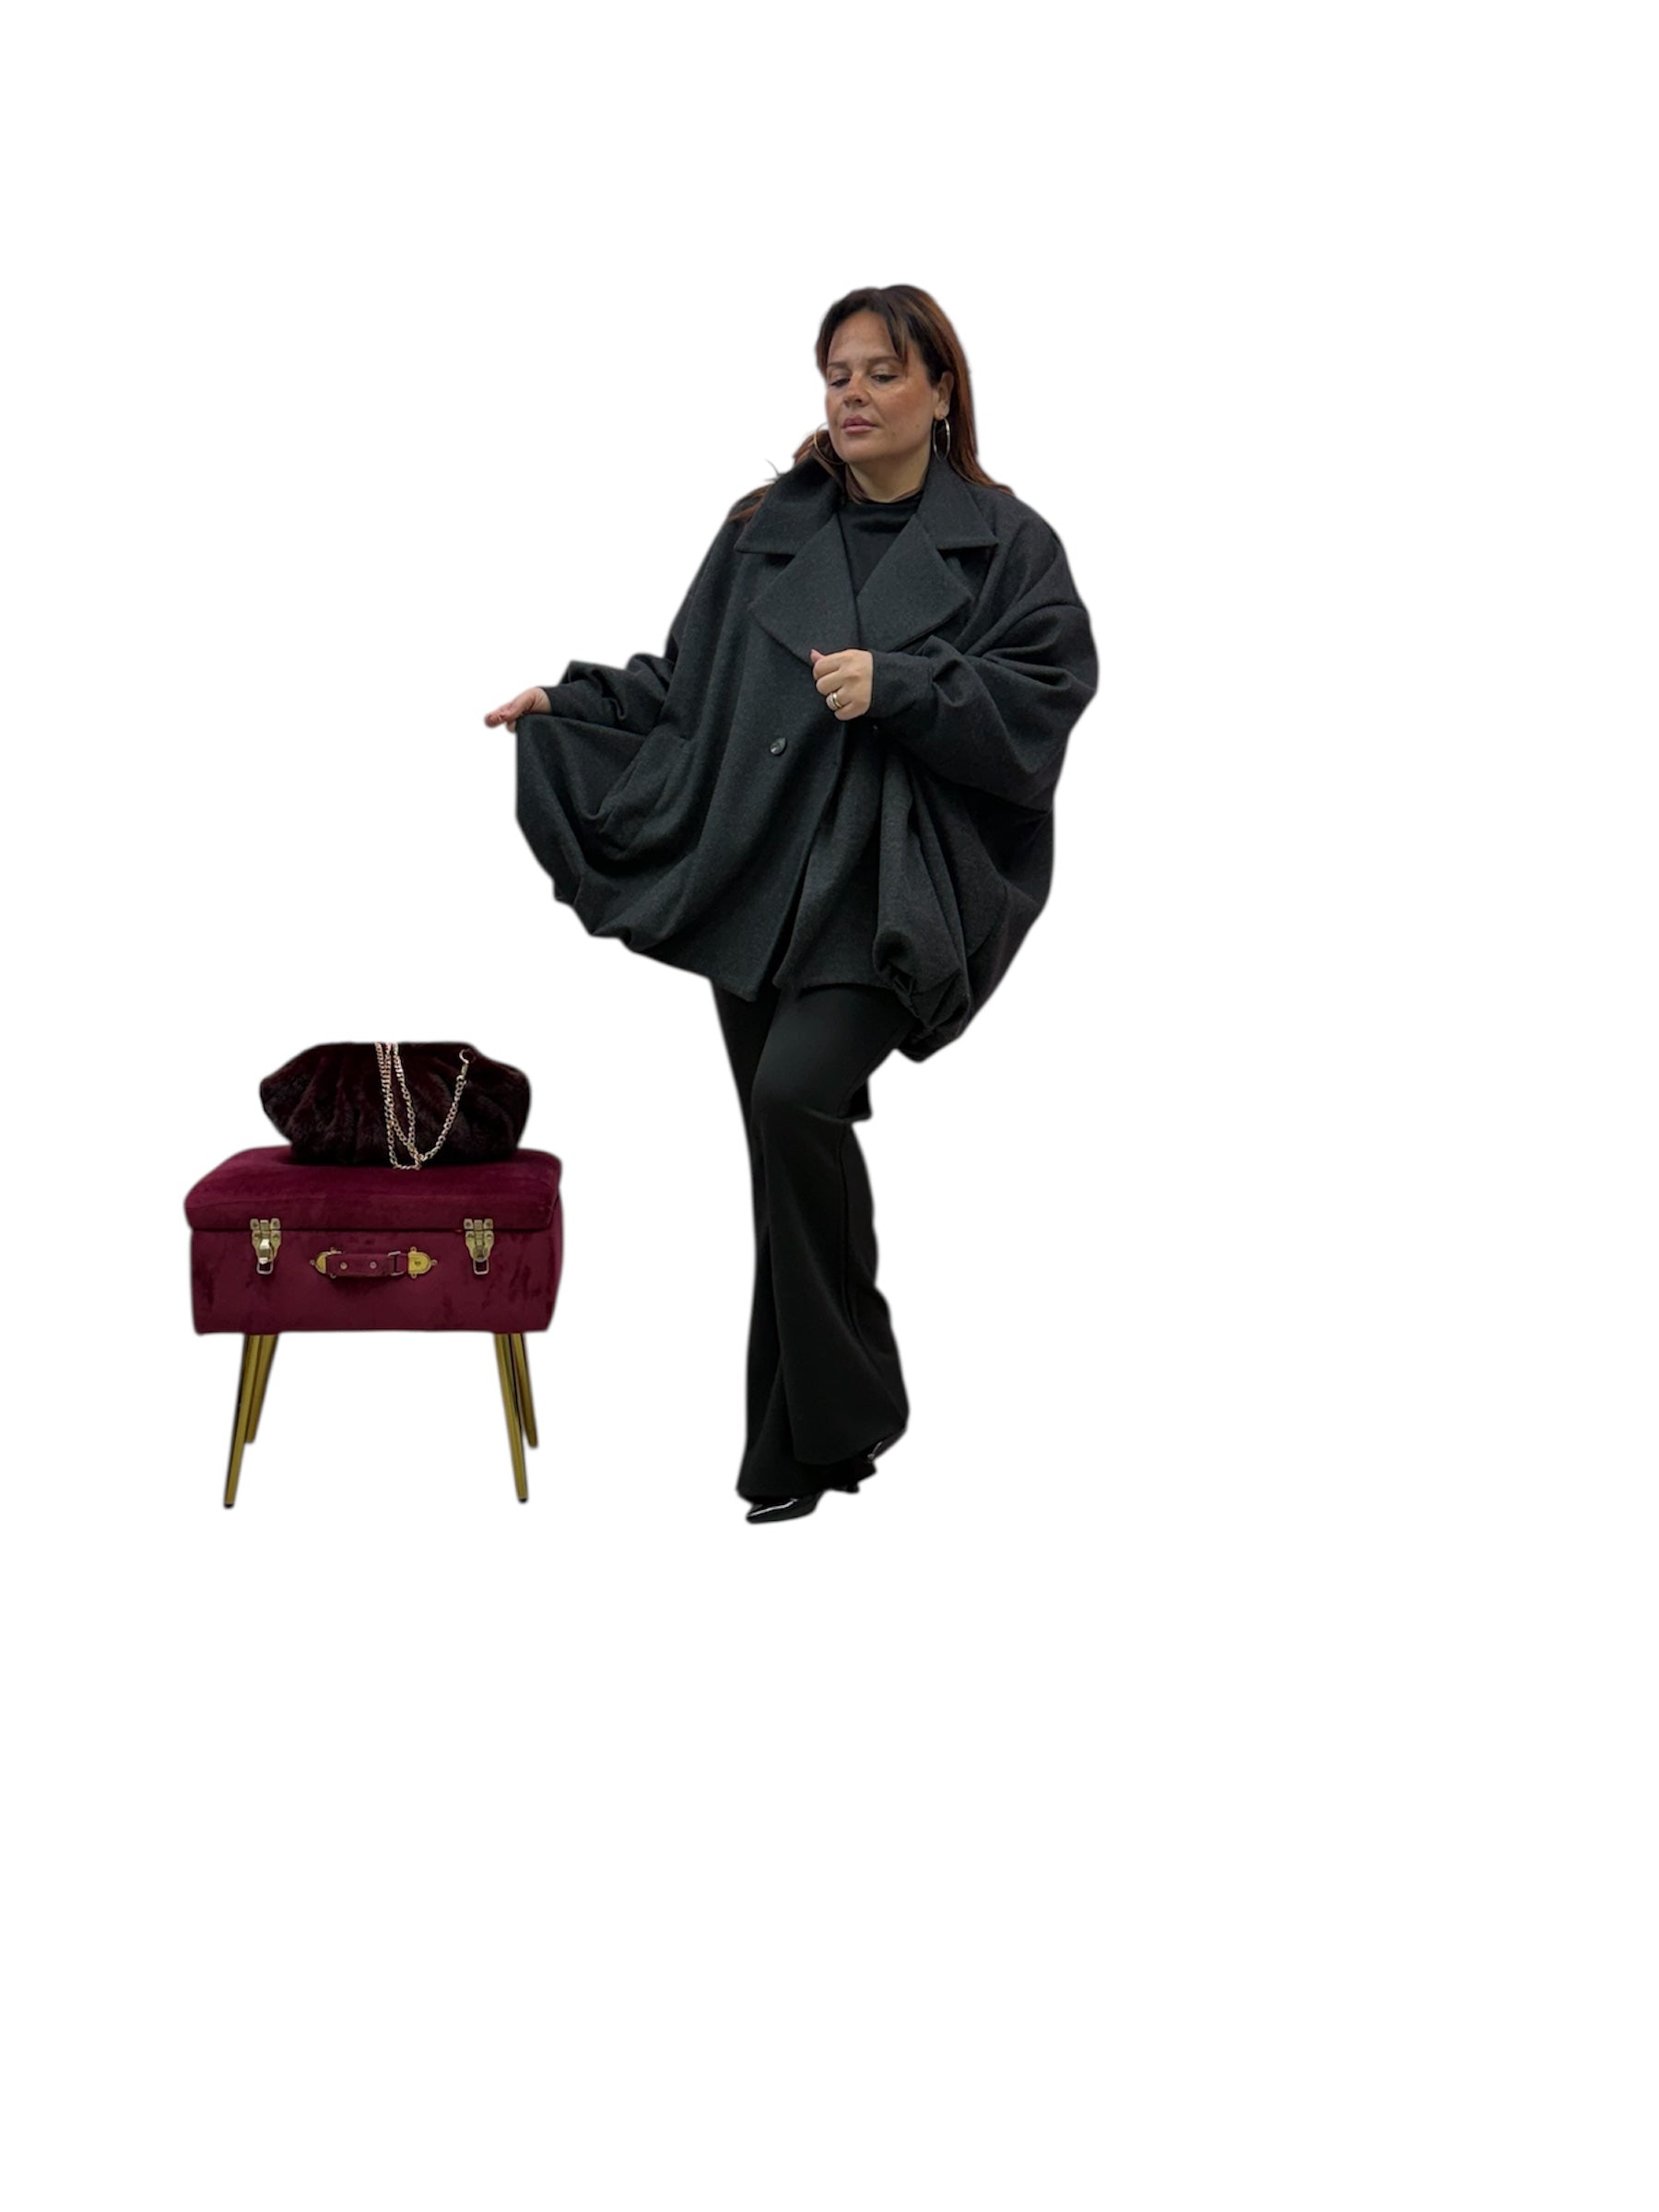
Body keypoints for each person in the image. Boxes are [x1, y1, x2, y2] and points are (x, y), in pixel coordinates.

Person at [487, 285, 1099, 1524]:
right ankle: (805, 1450)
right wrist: (573, 703)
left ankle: (845, 1404)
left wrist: (903, 686)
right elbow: (687, 688)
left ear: (942, 390)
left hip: (890, 884)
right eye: (837, 374)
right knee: (781, 1148)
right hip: (760, 878)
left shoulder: (1007, 544)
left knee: (793, 1099)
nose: (854, 395)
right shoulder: (766, 528)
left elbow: (1046, 696)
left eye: (883, 371)